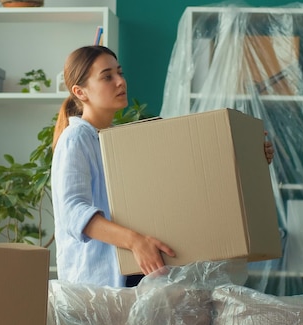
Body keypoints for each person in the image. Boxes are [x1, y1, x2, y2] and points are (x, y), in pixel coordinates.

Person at [51, 45, 275, 288]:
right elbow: (72, 211)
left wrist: (251, 156)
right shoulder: (77, 138)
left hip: (135, 274)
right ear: (80, 91)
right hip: (98, 285)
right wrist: (135, 242)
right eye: (107, 76)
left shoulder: (116, 140)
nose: (120, 82)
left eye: (120, 73)